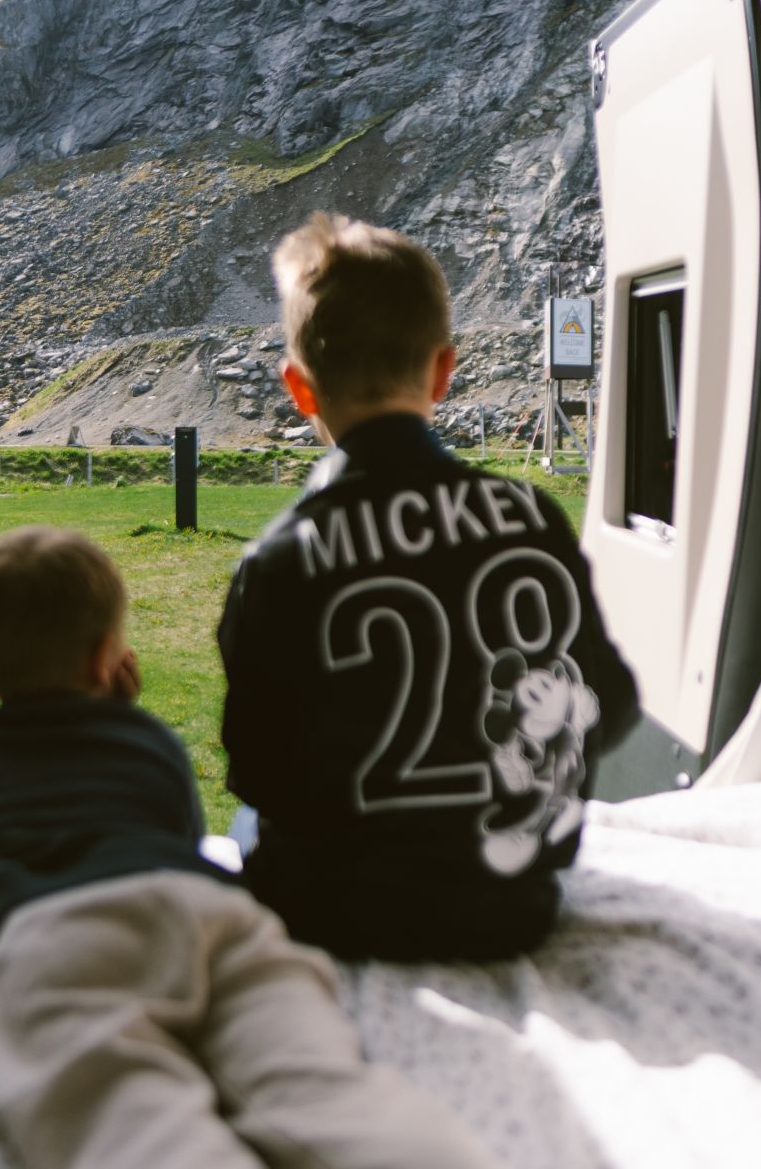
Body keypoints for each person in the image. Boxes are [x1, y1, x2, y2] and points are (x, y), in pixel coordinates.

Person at [0, 526, 501, 1169]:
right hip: (204, 910)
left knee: (121, 1109)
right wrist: (124, 713)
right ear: (109, 657)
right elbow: (180, 836)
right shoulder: (147, 744)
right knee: (308, 1070)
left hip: (57, 932)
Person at [220, 213, 641, 963]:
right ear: (445, 372)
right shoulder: (532, 514)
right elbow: (615, 700)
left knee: (246, 825)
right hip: (512, 907)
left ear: (299, 389)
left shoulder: (280, 558)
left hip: (333, 912)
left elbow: (257, 768)